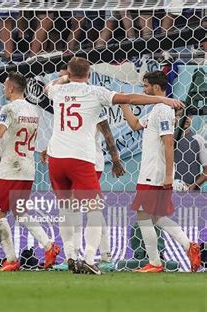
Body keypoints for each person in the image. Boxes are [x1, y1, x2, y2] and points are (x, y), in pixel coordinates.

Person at [44, 57, 185, 275]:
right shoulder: (94, 92)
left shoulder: (57, 91)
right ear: (89, 74)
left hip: (56, 157)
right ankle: (90, 258)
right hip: (80, 158)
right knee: (94, 209)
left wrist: (64, 78)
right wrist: (162, 99)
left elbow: (48, 87)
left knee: (65, 208)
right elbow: (129, 98)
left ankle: (70, 254)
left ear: (69, 73)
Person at [0, 72, 60, 272]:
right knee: (20, 211)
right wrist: (0, 126)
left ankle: (11, 259)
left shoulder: (8, 108)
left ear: (11, 88)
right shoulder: (33, 110)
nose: (4, 89)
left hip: (10, 167)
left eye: (5, 85)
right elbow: (12, 130)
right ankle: (49, 247)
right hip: (27, 166)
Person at [120, 71, 201, 273]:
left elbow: (168, 142)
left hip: (155, 172)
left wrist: (167, 175)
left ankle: (155, 263)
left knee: (143, 215)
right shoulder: (156, 109)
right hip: (152, 170)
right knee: (156, 217)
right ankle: (189, 246)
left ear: (156, 87)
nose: (143, 90)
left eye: (145, 86)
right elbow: (135, 124)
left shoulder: (163, 110)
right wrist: (123, 104)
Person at [174, 109, 207, 191]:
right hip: (164, 192)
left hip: (190, 195)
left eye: (189, 115)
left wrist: (193, 185)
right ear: (173, 117)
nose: (186, 118)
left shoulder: (199, 140)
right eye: (181, 115)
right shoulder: (164, 139)